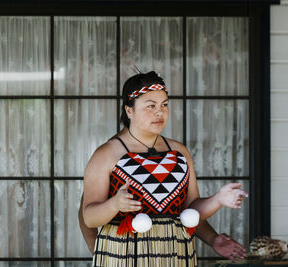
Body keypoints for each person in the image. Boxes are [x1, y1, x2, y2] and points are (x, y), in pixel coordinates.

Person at [81, 71, 248, 266]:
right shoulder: (107, 154)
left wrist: (217, 201)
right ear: (129, 110)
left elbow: (190, 209)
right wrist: (114, 205)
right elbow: (88, 217)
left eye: (164, 104)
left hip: (175, 255)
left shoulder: (179, 152)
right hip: (124, 256)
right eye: (150, 105)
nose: (159, 112)